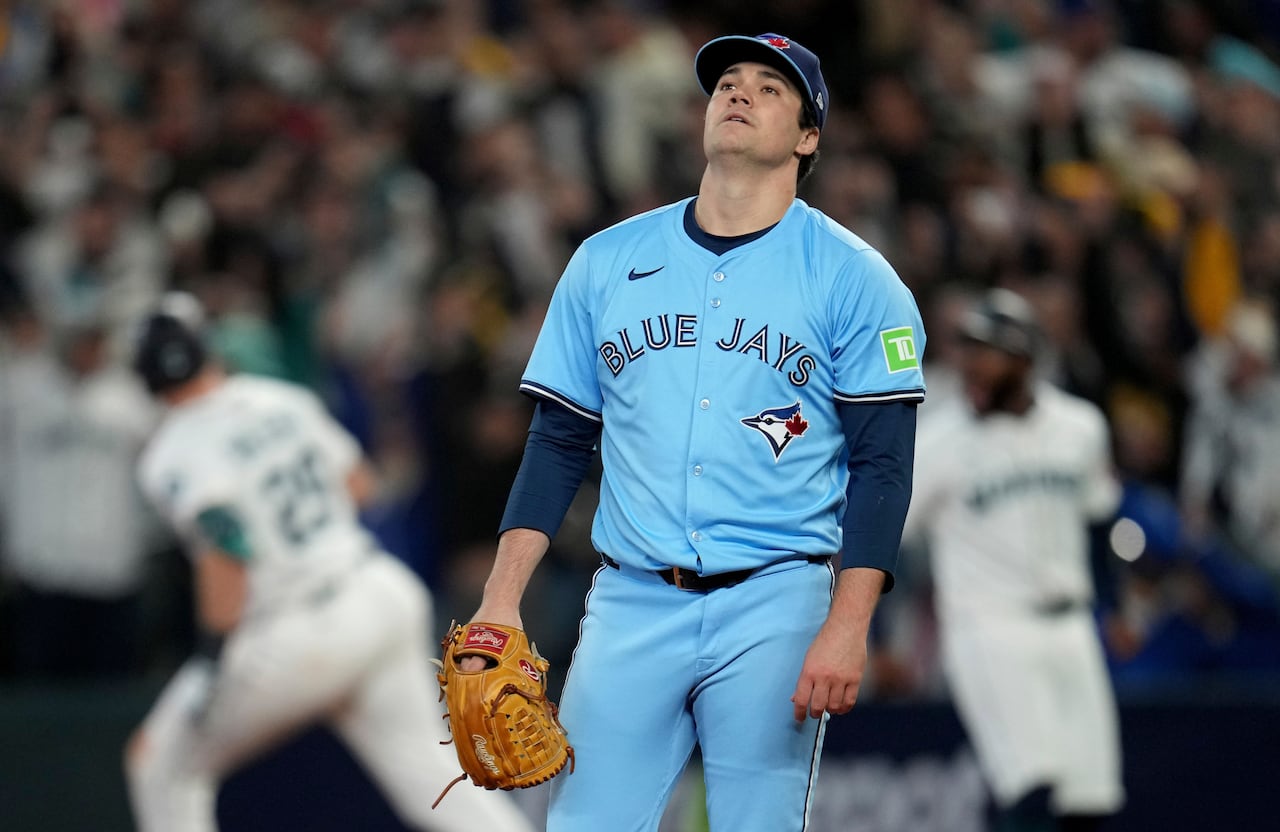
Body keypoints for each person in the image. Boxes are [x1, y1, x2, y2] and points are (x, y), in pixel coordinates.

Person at [460, 33, 926, 831]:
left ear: (809, 136)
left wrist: (850, 626)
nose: (740, 93)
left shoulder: (855, 277)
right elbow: (557, 442)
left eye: (771, 89)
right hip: (631, 600)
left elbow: (883, 468)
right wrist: (499, 601)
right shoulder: (608, 260)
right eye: (728, 83)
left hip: (777, 601)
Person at [122, 293, 534, 832]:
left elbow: (228, 556)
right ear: (207, 350)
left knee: (162, 765)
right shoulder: (278, 399)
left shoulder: (171, 452)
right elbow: (360, 487)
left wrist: (209, 666)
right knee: (437, 785)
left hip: (297, 627)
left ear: (147, 379)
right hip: (377, 594)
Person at [902, 288, 1125, 832]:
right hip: (987, 625)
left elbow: (1099, 518)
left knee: (1090, 801)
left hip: (1071, 624)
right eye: (968, 350)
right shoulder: (938, 441)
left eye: (989, 351)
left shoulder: (1080, 426)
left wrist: (1115, 607)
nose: (973, 365)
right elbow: (888, 534)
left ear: (1025, 358)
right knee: (1031, 786)